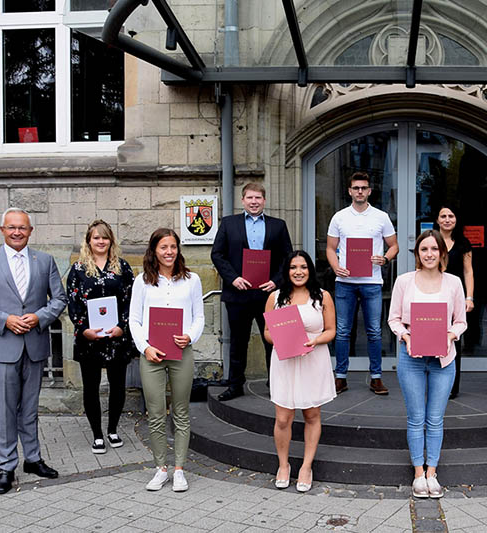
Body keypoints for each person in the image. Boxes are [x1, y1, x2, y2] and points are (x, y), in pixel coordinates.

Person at [0, 208, 67, 494]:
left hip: (34, 346)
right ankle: (6, 466)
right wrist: (4, 320)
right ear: (2, 230)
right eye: (11, 228)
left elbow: (59, 299)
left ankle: (32, 459)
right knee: (6, 411)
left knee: (30, 409)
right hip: (2, 347)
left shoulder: (44, 261)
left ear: (30, 231)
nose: (17, 232)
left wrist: (40, 317)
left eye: (22, 227)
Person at [388, 230, 467, 499]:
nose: (430, 254)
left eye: (434, 249)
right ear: (417, 253)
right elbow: (394, 319)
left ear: (442, 252)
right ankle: (418, 473)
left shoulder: (454, 282)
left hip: (443, 360)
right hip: (410, 358)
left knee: (435, 419)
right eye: (424, 249)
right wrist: (406, 336)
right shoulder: (404, 281)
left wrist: (450, 335)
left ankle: (432, 473)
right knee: (416, 418)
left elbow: (461, 321)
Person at [129, 228, 204, 492]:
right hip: (152, 355)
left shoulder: (192, 280)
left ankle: (180, 468)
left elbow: (199, 317)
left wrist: (190, 336)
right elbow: (134, 320)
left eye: (173, 247)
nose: (169, 252)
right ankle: (160, 468)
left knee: (181, 412)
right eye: (164, 247)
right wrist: (145, 347)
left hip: (181, 353)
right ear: (154, 251)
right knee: (157, 413)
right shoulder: (143, 281)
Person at [211, 182, 292, 401]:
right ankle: (235, 384)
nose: (254, 202)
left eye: (258, 198)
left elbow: (288, 258)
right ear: (243, 200)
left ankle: (276, 383)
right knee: (238, 341)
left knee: (274, 341)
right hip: (239, 293)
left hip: (269, 293)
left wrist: (276, 281)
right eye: (250, 198)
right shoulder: (229, 224)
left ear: (264, 201)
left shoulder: (278, 225)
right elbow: (217, 254)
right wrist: (233, 278)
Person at [264, 251, 337, 492]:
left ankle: (306, 466)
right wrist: (282, 340)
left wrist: (314, 341)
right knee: (283, 418)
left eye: (303, 267)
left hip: (313, 360)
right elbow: (266, 332)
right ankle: (283, 465)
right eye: (293, 267)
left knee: (311, 415)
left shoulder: (322, 296)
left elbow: (331, 330)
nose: (298, 271)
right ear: (287, 270)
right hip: (285, 361)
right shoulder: (276, 297)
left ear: (310, 270)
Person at [66, 220, 136, 454]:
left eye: (105, 237)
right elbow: (73, 302)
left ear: (111, 241)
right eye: (96, 237)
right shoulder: (78, 269)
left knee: (117, 386)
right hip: (90, 339)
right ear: (88, 241)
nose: (101, 241)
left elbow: (131, 301)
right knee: (91, 387)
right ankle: (97, 434)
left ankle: (113, 429)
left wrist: (122, 326)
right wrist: (83, 328)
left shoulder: (122, 268)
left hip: (117, 337)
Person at [327, 171, 399, 395]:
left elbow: (394, 245)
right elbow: (330, 248)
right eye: (355, 188)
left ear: (369, 191)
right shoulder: (339, 217)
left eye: (363, 188)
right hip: (345, 282)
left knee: (375, 331)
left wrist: (385, 258)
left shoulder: (381, 216)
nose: (359, 191)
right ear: (349, 191)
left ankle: (376, 377)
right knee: (342, 332)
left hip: (372, 282)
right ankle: (340, 377)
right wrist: (335, 265)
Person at [435, 204, 474, 399]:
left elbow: (468, 271)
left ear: (456, 220)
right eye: (443, 216)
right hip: (434, 296)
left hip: (456, 298)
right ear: (437, 220)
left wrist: (469, 297)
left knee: (454, 341)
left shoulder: (463, 243)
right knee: (434, 340)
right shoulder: (431, 241)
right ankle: (435, 383)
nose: (447, 219)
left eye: (451, 216)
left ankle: (452, 386)